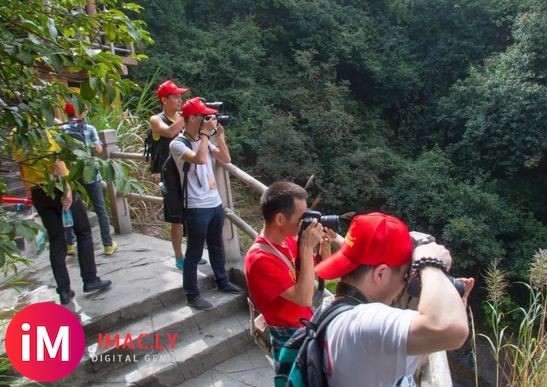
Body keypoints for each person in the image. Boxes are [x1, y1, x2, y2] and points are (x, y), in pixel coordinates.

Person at [314, 212, 474, 386]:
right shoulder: (362, 324)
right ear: (381, 274)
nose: (405, 284)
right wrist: (430, 264)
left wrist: (450, 303)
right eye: (405, 276)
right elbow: (451, 330)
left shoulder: (332, 308)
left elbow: (417, 346)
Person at [13, 126, 112, 305]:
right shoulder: (40, 126)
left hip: (37, 190)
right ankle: (90, 279)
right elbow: (55, 159)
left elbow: (22, 165)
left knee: (56, 239)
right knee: (83, 231)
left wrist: (29, 190)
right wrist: (67, 188)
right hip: (56, 185)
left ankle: (64, 291)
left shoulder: (15, 133)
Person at [244, 181, 333, 364]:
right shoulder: (260, 259)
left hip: (303, 323)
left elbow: (320, 271)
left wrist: (324, 249)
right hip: (287, 335)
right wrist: (307, 248)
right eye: (303, 217)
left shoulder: (288, 240)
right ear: (280, 220)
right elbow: (305, 298)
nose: (307, 222)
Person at [169, 97, 243, 310]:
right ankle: (192, 295)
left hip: (214, 202)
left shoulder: (206, 141)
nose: (208, 119)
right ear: (192, 117)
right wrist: (204, 136)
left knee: (216, 245)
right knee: (193, 253)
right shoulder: (177, 144)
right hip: (195, 206)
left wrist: (219, 137)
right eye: (204, 116)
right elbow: (199, 159)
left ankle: (222, 281)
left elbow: (226, 159)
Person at [149, 80, 205, 269]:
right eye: (175, 96)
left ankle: (193, 252)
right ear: (164, 100)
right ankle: (179, 257)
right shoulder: (156, 119)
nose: (179, 100)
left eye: (181, 96)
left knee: (192, 213)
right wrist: (188, 115)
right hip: (170, 175)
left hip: (188, 172)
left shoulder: (182, 117)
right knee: (176, 219)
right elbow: (170, 132)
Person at [62, 102, 118, 256]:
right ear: (80, 111)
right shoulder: (89, 128)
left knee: (69, 207)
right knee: (100, 208)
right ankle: (107, 244)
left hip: (71, 175)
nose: (87, 110)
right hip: (90, 173)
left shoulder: (62, 130)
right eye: (85, 108)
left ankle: (70, 244)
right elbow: (98, 148)